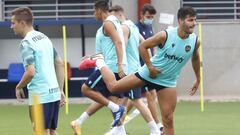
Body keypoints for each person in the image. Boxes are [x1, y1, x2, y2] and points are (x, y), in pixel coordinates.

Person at [79, 6, 201, 135]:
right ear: (180, 20)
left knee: (168, 120)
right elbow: (142, 46)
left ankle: (150, 128)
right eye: (190, 20)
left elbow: (196, 58)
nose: (194, 23)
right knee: (113, 88)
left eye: (194, 20)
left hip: (168, 81)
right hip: (147, 73)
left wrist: (198, 78)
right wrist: (150, 67)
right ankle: (99, 60)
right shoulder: (165, 35)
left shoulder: (195, 41)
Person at [71, 0, 127, 134]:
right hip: (112, 65)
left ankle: (117, 109)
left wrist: (120, 65)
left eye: (93, 11)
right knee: (113, 105)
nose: (93, 14)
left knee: (85, 89)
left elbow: (118, 42)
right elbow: (107, 50)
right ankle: (120, 129)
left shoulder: (108, 23)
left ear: (99, 11)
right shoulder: (110, 23)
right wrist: (91, 57)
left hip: (110, 68)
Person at [11, 7, 66, 135]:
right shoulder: (44, 37)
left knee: (42, 132)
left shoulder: (26, 43)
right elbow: (59, 63)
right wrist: (60, 89)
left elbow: (30, 72)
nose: (11, 26)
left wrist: (18, 87)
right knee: (52, 131)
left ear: (22, 23)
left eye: (13, 23)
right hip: (53, 93)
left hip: (40, 96)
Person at [107, 5, 160, 135]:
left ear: (120, 15)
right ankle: (118, 128)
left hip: (130, 70)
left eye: (113, 18)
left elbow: (122, 47)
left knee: (137, 100)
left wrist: (118, 64)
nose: (111, 22)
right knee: (124, 100)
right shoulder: (133, 26)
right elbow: (145, 44)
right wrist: (150, 62)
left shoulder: (124, 27)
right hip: (136, 68)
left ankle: (155, 128)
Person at [134, 3, 163, 130]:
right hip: (139, 66)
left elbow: (152, 46)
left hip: (148, 66)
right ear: (142, 15)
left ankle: (157, 125)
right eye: (148, 16)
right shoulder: (135, 28)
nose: (150, 19)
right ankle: (157, 125)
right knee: (134, 98)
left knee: (146, 95)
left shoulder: (150, 27)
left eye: (152, 17)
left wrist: (154, 62)